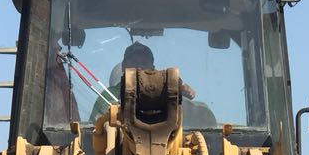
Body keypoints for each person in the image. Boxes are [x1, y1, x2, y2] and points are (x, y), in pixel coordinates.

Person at [87, 42, 216, 128]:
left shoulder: (168, 92)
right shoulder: (108, 96)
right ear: (124, 66)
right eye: (133, 62)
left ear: (153, 68)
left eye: (144, 63)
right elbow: (95, 129)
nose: (138, 68)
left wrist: (181, 98)